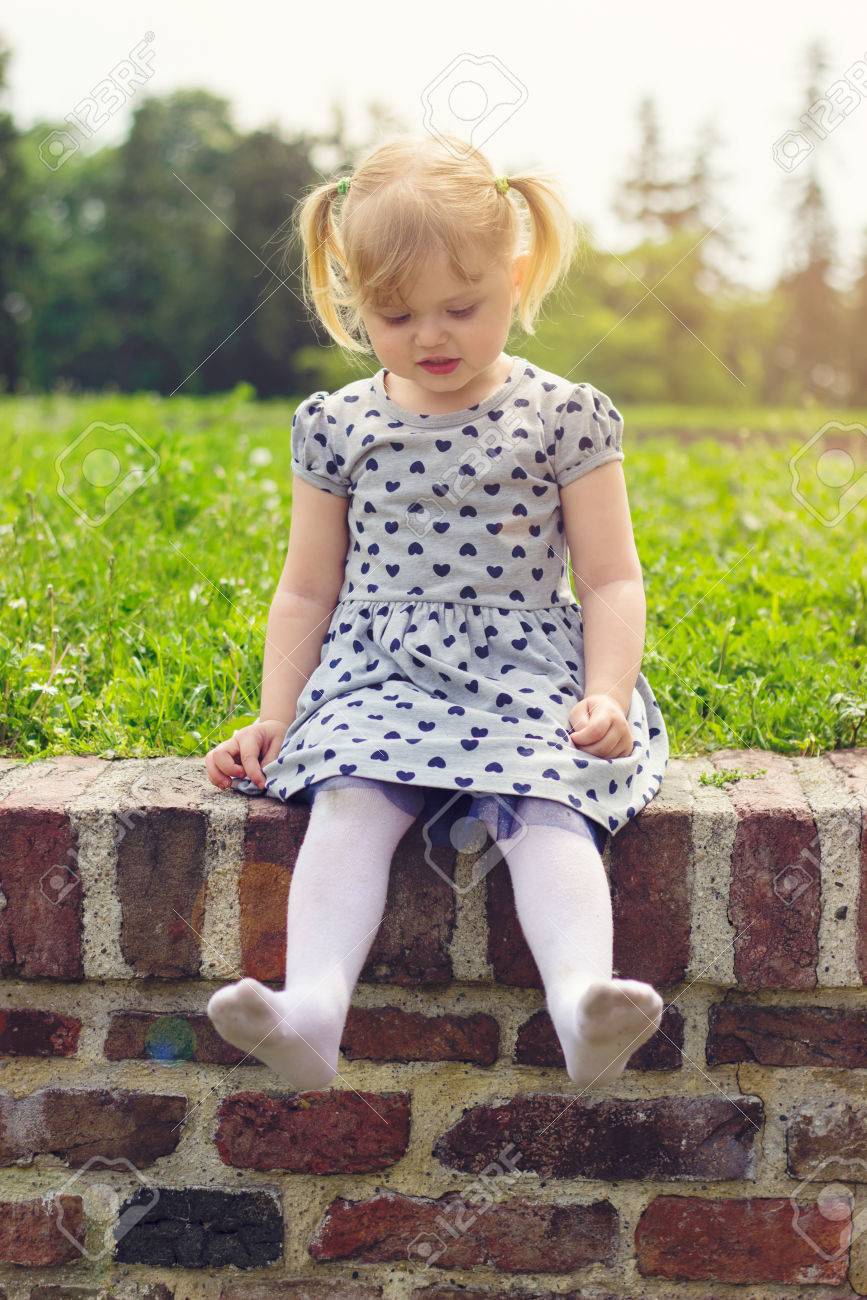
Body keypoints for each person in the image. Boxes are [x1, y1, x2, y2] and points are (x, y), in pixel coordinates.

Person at [204, 131, 669, 1094]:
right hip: (379, 669)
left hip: (525, 672)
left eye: (462, 307)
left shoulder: (564, 415)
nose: (431, 336)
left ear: (518, 270)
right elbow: (306, 589)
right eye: (395, 313)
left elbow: (611, 578)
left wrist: (607, 691)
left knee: (548, 798)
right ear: (350, 298)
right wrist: (277, 717)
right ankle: (312, 1010)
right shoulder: (336, 425)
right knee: (349, 798)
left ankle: (584, 1004)